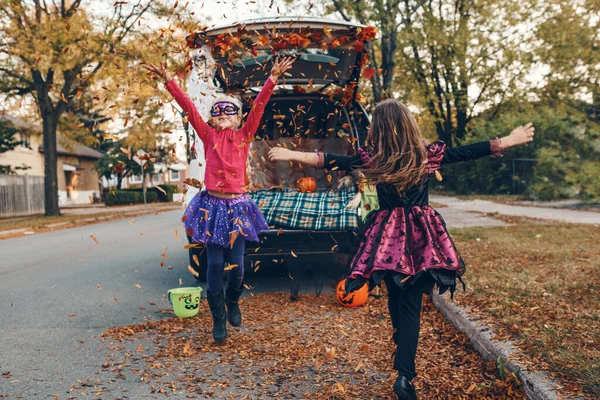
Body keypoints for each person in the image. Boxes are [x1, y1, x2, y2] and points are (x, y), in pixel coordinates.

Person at [268, 99, 535, 399]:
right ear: (407, 124)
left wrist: (291, 153)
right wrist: (509, 140)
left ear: (379, 129)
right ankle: (404, 375)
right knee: (410, 304)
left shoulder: (374, 159)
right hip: (421, 239)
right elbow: (468, 152)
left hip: (388, 240)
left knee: (397, 295)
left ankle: (402, 358)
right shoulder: (425, 156)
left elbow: (329, 160)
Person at [145, 57, 295, 343]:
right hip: (212, 207)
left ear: (239, 117)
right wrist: (168, 80)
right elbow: (188, 107)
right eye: (218, 110)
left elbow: (260, 106)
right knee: (213, 264)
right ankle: (218, 318)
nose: (223, 113)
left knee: (237, 264)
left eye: (230, 110)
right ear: (212, 117)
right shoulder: (207, 134)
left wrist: (272, 79)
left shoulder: (244, 135)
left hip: (238, 207)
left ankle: (233, 301)